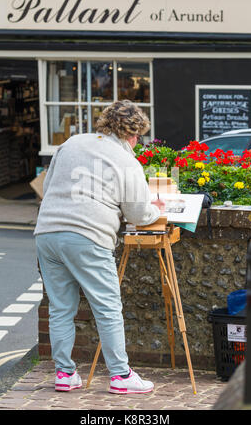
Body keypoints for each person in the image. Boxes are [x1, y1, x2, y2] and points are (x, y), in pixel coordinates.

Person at [34, 100, 165, 394]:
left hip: (47, 233)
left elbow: (48, 185)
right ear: (133, 134)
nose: (137, 142)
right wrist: (155, 209)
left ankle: (65, 374)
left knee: (60, 307)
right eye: (137, 136)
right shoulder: (127, 160)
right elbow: (138, 214)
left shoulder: (71, 144)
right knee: (107, 307)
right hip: (87, 236)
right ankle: (120, 375)